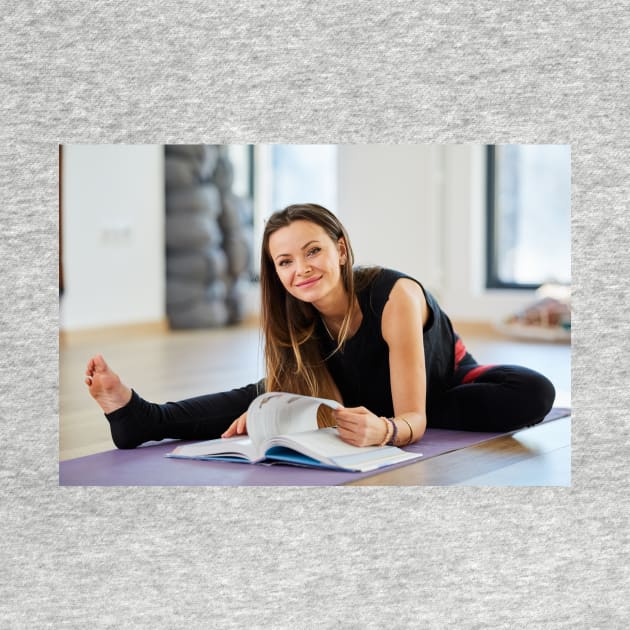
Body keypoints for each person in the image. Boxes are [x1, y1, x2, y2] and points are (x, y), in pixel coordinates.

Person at [85, 203, 555, 450]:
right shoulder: (295, 315)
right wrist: (278, 408)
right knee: (261, 395)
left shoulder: (395, 297)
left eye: (313, 251)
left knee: (533, 390)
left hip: (442, 385)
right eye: (285, 261)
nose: (301, 269)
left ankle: (348, 411)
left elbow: (413, 419)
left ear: (341, 249)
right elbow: (284, 390)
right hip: (352, 395)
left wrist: (387, 431)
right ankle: (139, 417)